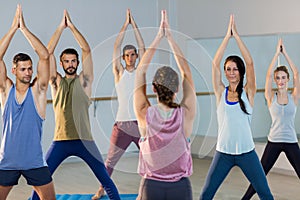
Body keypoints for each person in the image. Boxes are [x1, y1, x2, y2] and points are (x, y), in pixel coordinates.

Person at [31, 10, 120, 200]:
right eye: (66, 61)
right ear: (62, 64)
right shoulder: (56, 82)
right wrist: (59, 29)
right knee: (41, 179)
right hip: (60, 140)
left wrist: (71, 27)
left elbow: (87, 49)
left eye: (73, 61)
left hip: (85, 141)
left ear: (77, 62)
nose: (70, 64)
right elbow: (47, 54)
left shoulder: (85, 81)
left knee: (105, 179)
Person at [199, 15, 274, 200]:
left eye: (234, 69)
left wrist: (237, 36)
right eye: (228, 69)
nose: (231, 72)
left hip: (247, 153)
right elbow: (214, 63)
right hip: (223, 153)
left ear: (240, 71)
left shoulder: (248, 92)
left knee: (265, 193)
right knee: (206, 194)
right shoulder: (220, 92)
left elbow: (250, 63)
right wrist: (226, 37)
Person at [134, 10, 196, 200]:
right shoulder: (185, 114)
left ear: (153, 88)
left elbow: (139, 73)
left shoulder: (145, 113)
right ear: (177, 88)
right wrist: (169, 37)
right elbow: (187, 73)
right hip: (180, 187)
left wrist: (157, 38)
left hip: (151, 186)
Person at [0, 5, 56, 200]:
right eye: (23, 69)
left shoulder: (38, 91)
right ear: (14, 70)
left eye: (30, 69)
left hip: (34, 162)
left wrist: (23, 29)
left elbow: (45, 56)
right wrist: (12, 28)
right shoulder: (6, 90)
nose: (28, 72)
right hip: (7, 162)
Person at [93, 9, 145, 199]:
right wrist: (125, 25)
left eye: (133, 54)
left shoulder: (141, 72)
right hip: (122, 124)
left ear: (137, 56)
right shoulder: (119, 73)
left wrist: (135, 26)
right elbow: (116, 46)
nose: (130, 57)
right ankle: (101, 189)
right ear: (123, 59)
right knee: (110, 162)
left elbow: (143, 46)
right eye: (127, 55)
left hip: (140, 124)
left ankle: (144, 191)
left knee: (149, 159)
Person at [242, 39, 300, 199]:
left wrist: (285, 53)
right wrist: (276, 54)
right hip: (274, 141)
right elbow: (267, 75)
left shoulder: (294, 97)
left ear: (287, 79)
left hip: (291, 141)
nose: (280, 81)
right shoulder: (270, 97)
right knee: (259, 176)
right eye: (278, 78)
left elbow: (296, 73)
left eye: (283, 78)